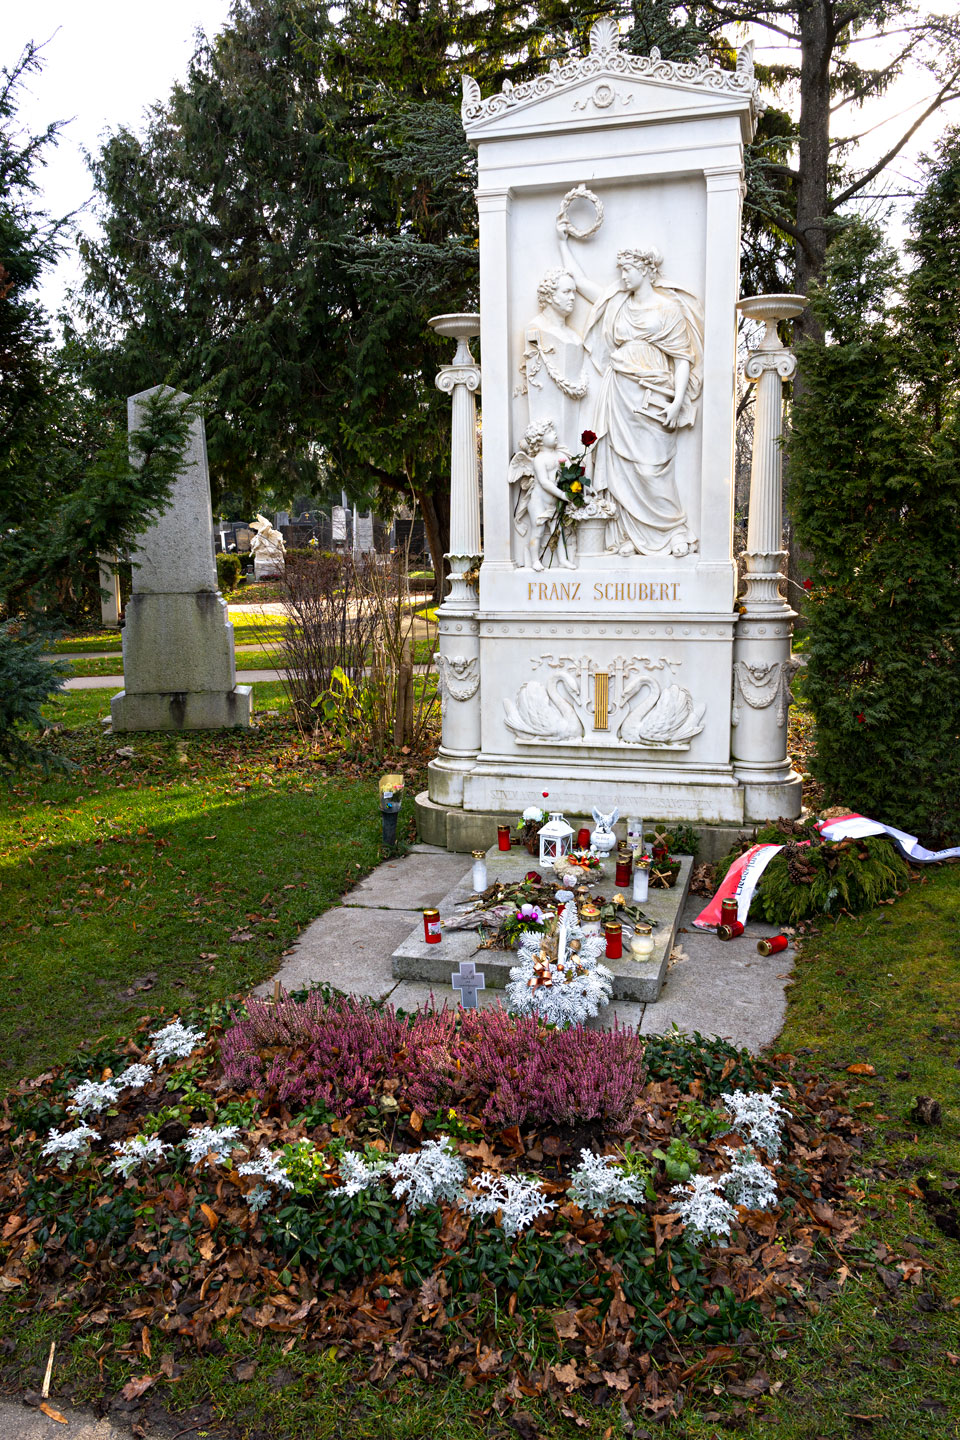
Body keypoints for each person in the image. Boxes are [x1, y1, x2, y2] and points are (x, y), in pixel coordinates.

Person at [557, 228, 703, 556]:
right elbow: (581, 284)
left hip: (655, 396)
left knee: (653, 466)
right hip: (619, 392)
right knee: (622, 464)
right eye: (621, 270)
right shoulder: (617, 304)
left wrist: (678, 401)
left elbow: (682, 359)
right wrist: (562, 243)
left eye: (627, 269)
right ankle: (629, 535)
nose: (622, 276)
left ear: (645, 270)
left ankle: (674, 530)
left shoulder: (668, 310)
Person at [521, 268, 589, 451]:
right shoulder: (537, 329)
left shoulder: (573, 336)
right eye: (566, 292)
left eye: (574, 292)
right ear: (550, 296)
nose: (573, 297)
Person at [509, 420, 576, 570]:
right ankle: (534, 560)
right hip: (538, 501)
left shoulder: (559, 454)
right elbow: (544, 482)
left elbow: (572, 471)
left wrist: (584, 484)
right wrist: (562, 494)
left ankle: (563, 560)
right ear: (539, 439)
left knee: (558, 532)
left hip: (553, 502)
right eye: (550, 432)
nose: (555, 434)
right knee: (538, 531)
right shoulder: (539, 459)